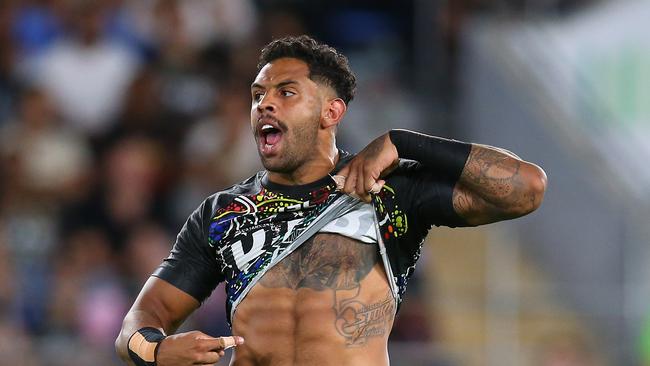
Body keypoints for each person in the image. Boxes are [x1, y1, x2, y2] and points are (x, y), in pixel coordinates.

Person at [115, 35, 547, 366]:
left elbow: (527, 187)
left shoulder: (388, 191)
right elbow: (137, 322)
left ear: (331, 113)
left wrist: (404, 142)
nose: (265, 104)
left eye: (285, 92)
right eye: (257, 95)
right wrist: (155, 351)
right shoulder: (224, 212)